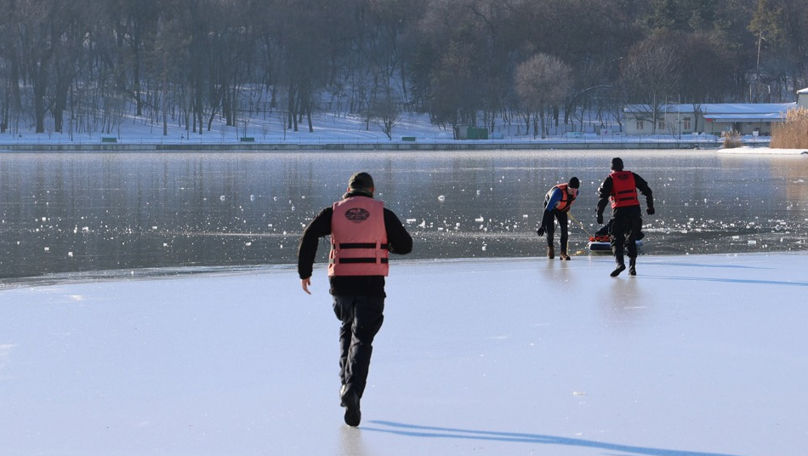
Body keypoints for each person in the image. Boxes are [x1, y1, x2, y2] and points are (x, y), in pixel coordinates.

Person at [297, 171, 412, 427]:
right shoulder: (382, 213)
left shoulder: (334, 211)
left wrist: (304, 272)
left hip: (341, 284)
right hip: (371, 283)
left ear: (348, 190)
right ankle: (353, 390)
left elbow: (309, 235)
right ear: (371, 190)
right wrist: (386, 245)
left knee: (347, 330)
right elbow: (406, 245)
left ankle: (346, 387)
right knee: (363, 337)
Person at [596, 157, 654, 277]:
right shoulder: (632, 176)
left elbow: (603, 199)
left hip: (619, 212)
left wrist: (599, 214)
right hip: (635, 212)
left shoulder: (610, 179)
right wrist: (650, 207)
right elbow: (647, 190)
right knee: (631, 239)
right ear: (622, 166)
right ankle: (632, 267)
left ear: (611, 168)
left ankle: (619, 264)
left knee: (616, 239)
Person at [536, 177, 580, 260]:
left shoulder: (576, 193)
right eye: (571, 190)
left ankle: (563, 253)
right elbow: (547, 210)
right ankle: (550, 247)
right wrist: (542, 226)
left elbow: (569, 201)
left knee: (564, 229)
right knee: (550, 230)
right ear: (568, 187)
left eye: (575, 190)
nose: (573, 192)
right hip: (550, 207)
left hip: (561, 209)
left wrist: (566, 207)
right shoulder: (557, 193)